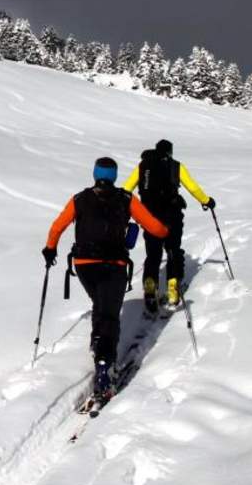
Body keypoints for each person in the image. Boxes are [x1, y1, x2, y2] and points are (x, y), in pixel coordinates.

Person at [42, 157, 168, 400]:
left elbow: (58, 226)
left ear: (95, 174)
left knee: (101, 304)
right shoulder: (126, 198)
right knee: (110, 313)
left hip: (84, 266)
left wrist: (50, 249)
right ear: (114, 175)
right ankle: (104, 368)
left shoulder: (79, 199)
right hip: (113, 265)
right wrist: (166, 233)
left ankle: (97, 341)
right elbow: (154, 227)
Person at [123, 139, 216, 314]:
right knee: (173, 250)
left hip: (149, 217)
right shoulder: (176, 166)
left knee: (153, 254)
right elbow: (193, 188)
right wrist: (207, 201)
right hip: (172, 215)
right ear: (170, 152)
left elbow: (127, 188)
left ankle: (150, 288)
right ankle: (173, 287)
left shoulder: (143, 166)